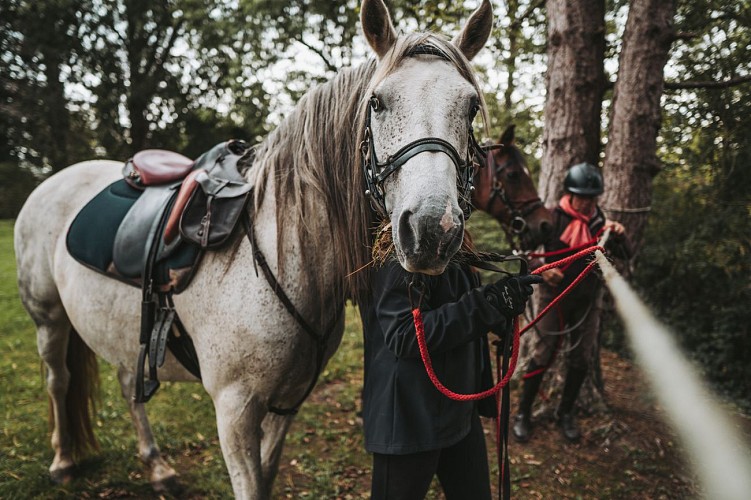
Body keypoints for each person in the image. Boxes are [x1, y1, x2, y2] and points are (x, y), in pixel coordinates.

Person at [359, 230, 542, 499]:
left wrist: (499, 316)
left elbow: (455, 303)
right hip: (409, 420)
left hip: (459, 415)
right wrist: (487, 304)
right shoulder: (399, 243)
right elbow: (405, 334)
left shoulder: (452, 238)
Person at [512, 162, 632, 443]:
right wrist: (541, 267)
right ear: (570, 193)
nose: (588, 203)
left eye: (592, 197)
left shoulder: (603, 225)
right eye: (582, 197)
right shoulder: (551, 218)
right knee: (542, 354)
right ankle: (523, 413)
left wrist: (621, 235)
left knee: (581, 358)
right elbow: (524, 252)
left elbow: (626, 254)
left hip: (588, 299)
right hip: (553, 296)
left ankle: (565, 413)